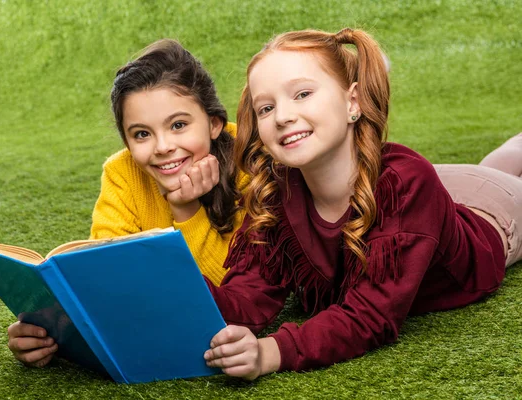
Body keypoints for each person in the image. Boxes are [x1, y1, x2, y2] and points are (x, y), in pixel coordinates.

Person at [203, 28, 522, 380]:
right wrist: (184, 289)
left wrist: (270, 352)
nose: (282, 116)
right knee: (489, 165)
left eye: (303, 94)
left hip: (491, 208)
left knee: (502, 166)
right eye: (266, 107)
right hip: (424, 193)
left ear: (352, 102)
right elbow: (248, 293)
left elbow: (370, 314)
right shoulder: (277, 192)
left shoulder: (408, 183)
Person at [7, 39, 250, 367]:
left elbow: (233, 296)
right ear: (126, 141)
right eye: (141, 134)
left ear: (213, 123)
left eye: (178, 125)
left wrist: (185, 209)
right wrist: (46, 329)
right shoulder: (122, 172)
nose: (163, 147)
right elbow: (106, 280)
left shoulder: (249, 162)